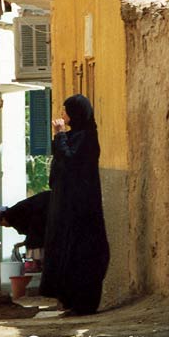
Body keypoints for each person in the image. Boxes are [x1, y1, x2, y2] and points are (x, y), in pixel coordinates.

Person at [39, 94, 110, 315]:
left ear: (76, 113)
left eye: (66, 110)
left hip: (81, 207)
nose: (62, 114)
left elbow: (70, 161)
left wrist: (60, 135)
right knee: (65, 250)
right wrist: (60, 137)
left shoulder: (87, 137)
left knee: (81, 253)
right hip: (67, 206)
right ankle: (69, 300)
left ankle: (83, 303)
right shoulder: (75, 135)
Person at [0, 190, 51, 272]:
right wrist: (23, 243)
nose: (4, 226)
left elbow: (34, 234)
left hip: (47, 207)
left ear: (3, 218)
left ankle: (36, 265)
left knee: (33, 241)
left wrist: (25, 243)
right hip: (47, 209)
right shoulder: (17, 214)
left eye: (2, 224)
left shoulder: (15, 214)